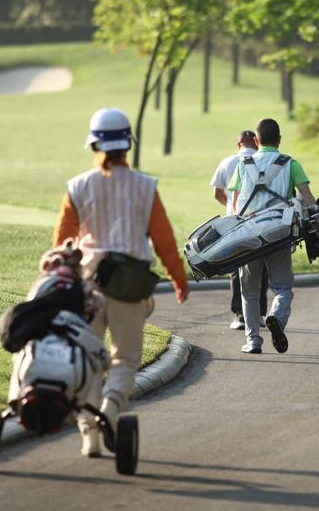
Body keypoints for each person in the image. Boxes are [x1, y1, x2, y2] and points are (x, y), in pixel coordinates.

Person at [53, 107, 190, 457]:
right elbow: (163, 240)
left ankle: (89, 435)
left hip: (87, 284)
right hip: (129, 286)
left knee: (86, 358)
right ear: (128, 144)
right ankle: (111, 410)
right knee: (125, 359)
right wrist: (178, 278)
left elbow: (61, 242)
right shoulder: (146, 186)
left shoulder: (78, 186)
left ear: (94, 144)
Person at [227, 118, 316, 354]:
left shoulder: (242, 163)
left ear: (256, 141)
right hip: (278, 233)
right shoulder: (290, 163)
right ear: (279, 140)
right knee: (283, 287)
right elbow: (308, 199)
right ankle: (276, 316)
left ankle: (253, 341)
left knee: (249, 292)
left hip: (247, 235)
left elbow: (235, 206)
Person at [210, 130, 269, 330]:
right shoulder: (263, 160)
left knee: (237, 267)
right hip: (260, 220)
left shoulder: (227, 162)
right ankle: (260, 314)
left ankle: (240, 315)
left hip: (234, 222)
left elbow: (217, 193)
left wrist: (231, 207)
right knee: (261, 267)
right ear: (256, 142)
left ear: (238, 145)